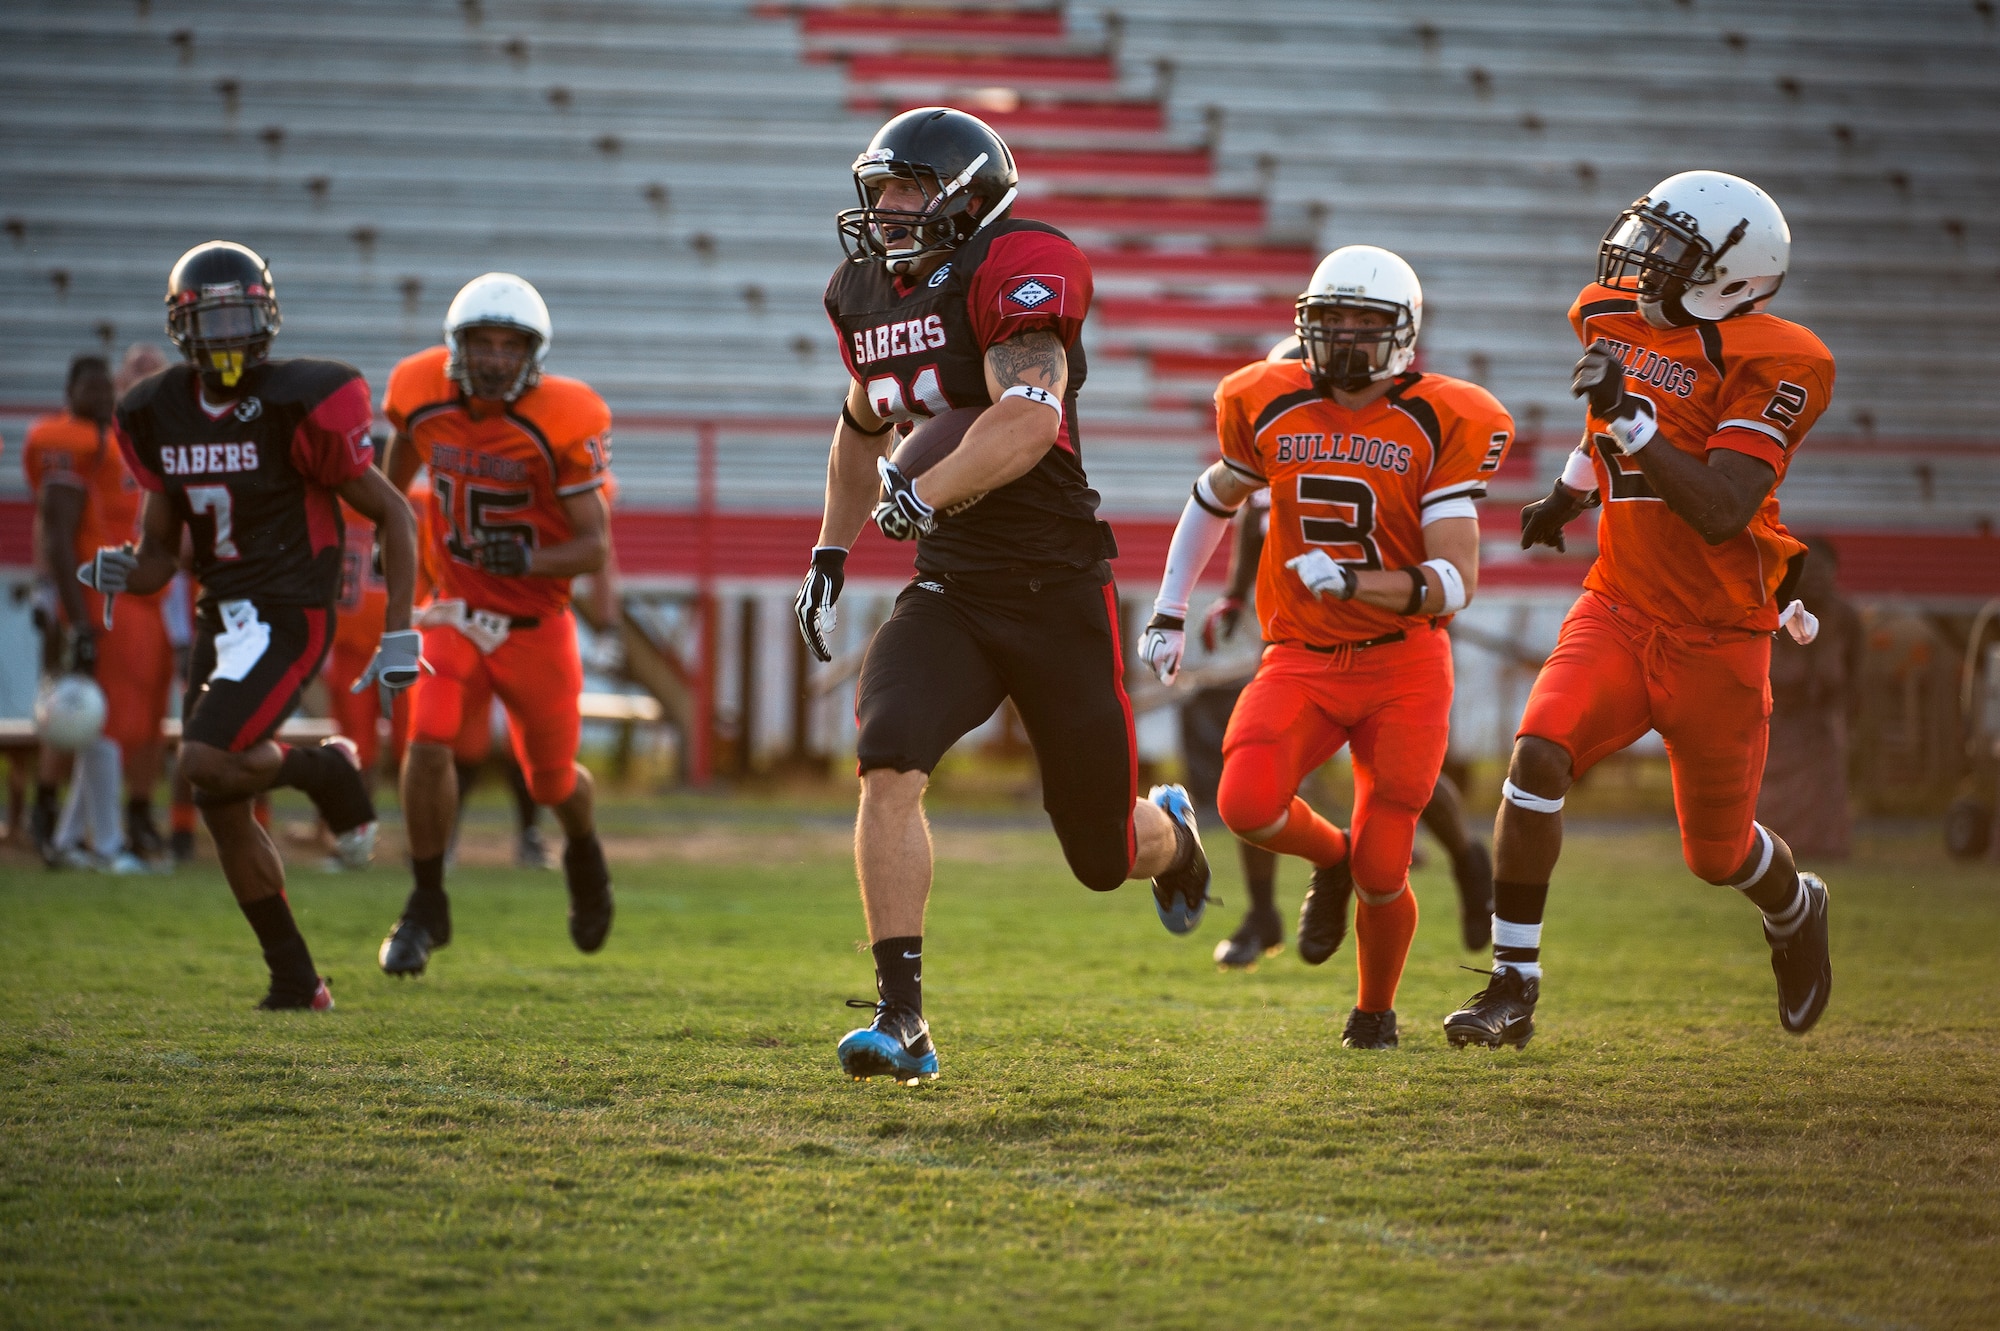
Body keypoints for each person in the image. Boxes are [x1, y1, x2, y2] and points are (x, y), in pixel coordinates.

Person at [795, 107, 1214, 1085]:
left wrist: (919, 488)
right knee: (886, 756)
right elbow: (862, 423)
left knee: (1102, 854)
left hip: (1055, 584)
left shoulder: (1019, 264)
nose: (887, 209)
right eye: (880, 190)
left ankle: (1174, 836)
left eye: (908, 190)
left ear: (967, 200)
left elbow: (1024, 419)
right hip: (951, 588)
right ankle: (902, 1017)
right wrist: (829, 548)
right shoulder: (862, 291)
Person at [1445, 171, 1837, 1049]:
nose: (1643, 259)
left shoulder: (1778, 360)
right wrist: (1569, 490)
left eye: (1672, 249)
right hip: (1618, 607)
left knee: (1717, 854)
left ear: (1734, 276)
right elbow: (1608, 416)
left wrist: (1631, 421)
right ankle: (1513, 983)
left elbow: (1721, 506)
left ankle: (1794, 904)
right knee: (1539, 753)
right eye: (1648, 236)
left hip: (1719, 635)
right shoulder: (1607, 313)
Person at [1140, 244, 1514, 1049]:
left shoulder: (1444, 415)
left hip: (1403, 661)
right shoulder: (1266, 397)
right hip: (1302, 654)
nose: (1342, 337)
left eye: (1362, 322)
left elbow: (1456, 579)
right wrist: (1172, 609)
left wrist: (1356, 581)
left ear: (1403, 335)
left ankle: (1374, 1010)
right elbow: (1214, 496)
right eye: (1329, 318)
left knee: (1390, 866)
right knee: (1244, 802)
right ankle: (1330, 857)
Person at [80, 240, 419, 1011]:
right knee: (219, 800)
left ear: (266, 317)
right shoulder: (156, 412)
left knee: (203, 756)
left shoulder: (301, 401)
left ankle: (324, 770)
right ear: (182, 327)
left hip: (290, 611)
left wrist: (399, 629)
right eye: (214, 318)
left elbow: (395, 512)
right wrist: (121, 570)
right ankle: (297, 980)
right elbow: (161, 555)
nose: (230, 335)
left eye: (242, 315)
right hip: (219, 611)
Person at [377, 272, 615, 976]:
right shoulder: (420, 392)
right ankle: (424, 904)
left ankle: (586, 853)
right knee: (428, 740)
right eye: (481, 342)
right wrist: (391, 524)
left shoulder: (562, 417)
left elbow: (593, 544)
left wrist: (530, 555)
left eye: (510, 344)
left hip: (535, 622)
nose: (494, 357)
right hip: (453, 610)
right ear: (457, 345)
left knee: (550, 782)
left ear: (532, 353)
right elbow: (400, 464)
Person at [23, 354, 172, 872]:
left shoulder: (111, 443)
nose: (105, 396)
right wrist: (79, 617)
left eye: (108, 388)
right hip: (103, 598)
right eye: (93, 387)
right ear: (70, 391)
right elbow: (59, 536)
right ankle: (105, 845)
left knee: (110, 724)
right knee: (105, 724)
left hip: (128, 597)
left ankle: (68, 841)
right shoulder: (67, 441)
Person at [1756, 537, 1861, 858]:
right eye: (1809, 570)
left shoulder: (1844, 618)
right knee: (1770, 804)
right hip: (1777, 727)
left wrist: (1849, 722)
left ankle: (1825, 851)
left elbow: (1854, 675)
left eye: (1824, 570)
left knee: (1824, 797)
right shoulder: (1772, 611)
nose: (1816, 578)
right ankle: (1768, 856)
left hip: (1821, 729)